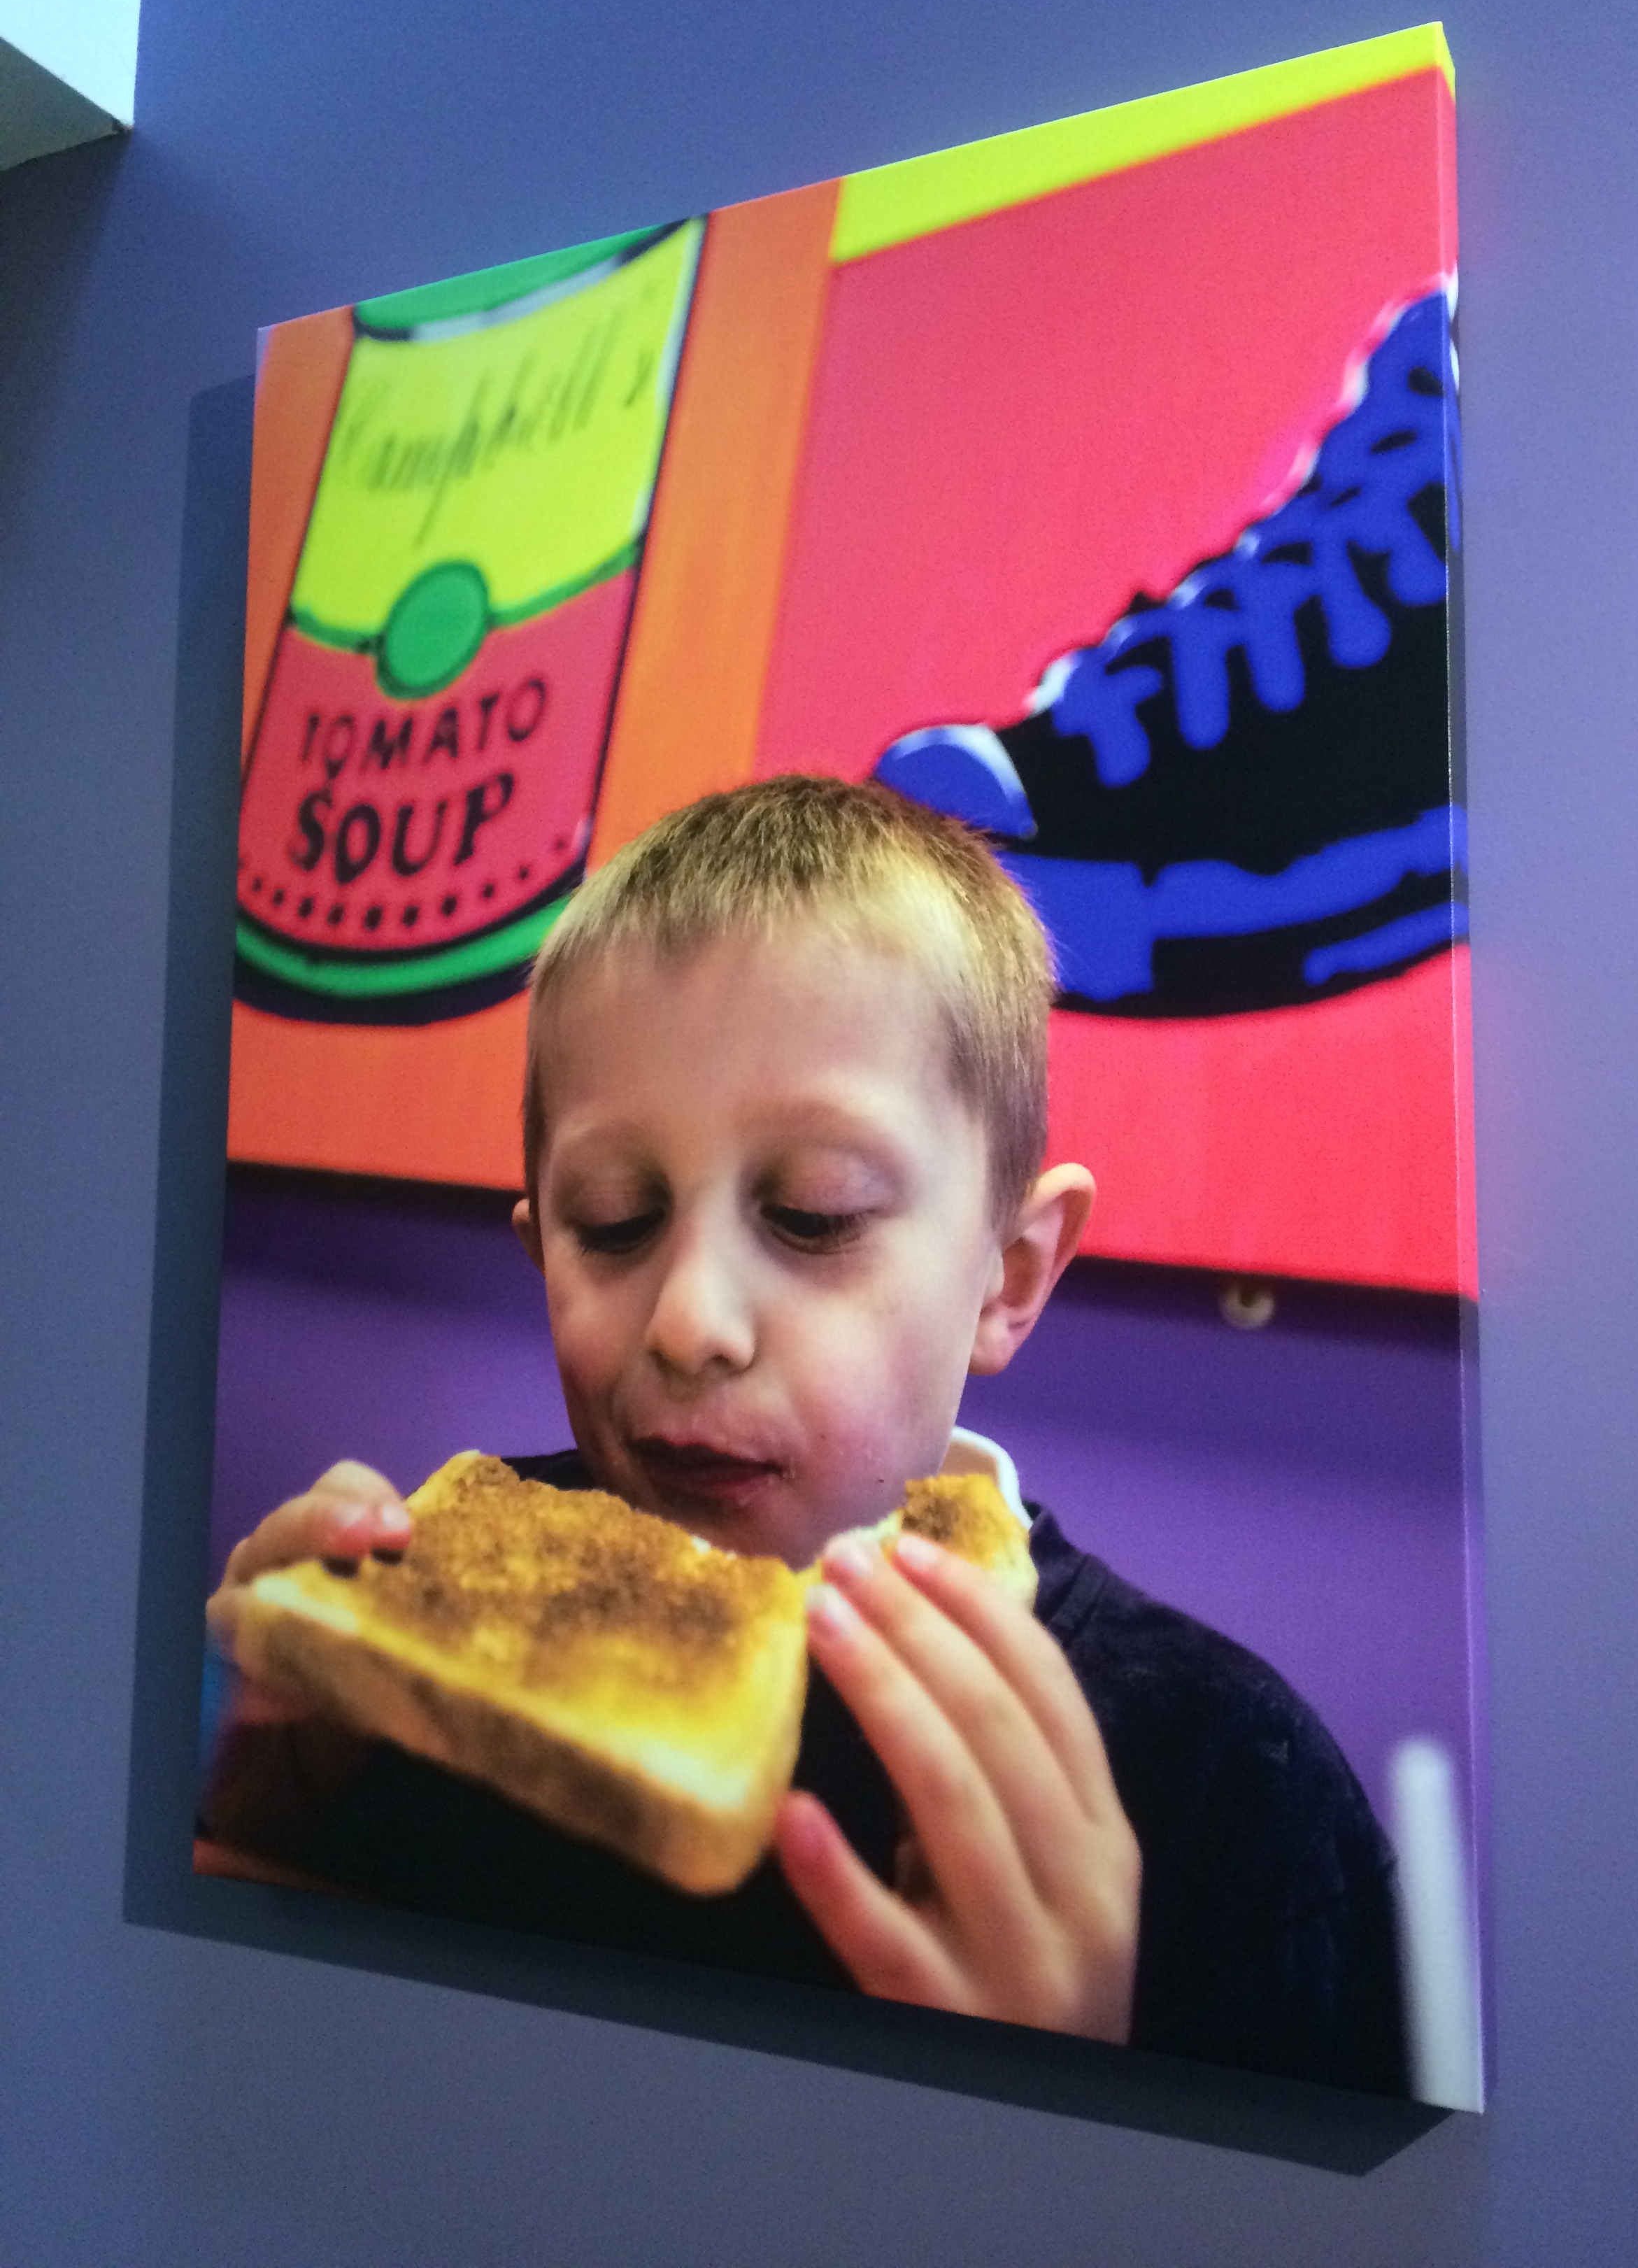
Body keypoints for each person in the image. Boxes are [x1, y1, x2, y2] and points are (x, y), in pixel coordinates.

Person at [205, 774, 1407, 2090]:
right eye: (613, 1221)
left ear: (1006, 1277)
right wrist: (260, 1820)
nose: (690, 1323)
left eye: (816, 1215)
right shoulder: (408, 1629)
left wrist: (1056, 2109)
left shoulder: (1234, 1788)